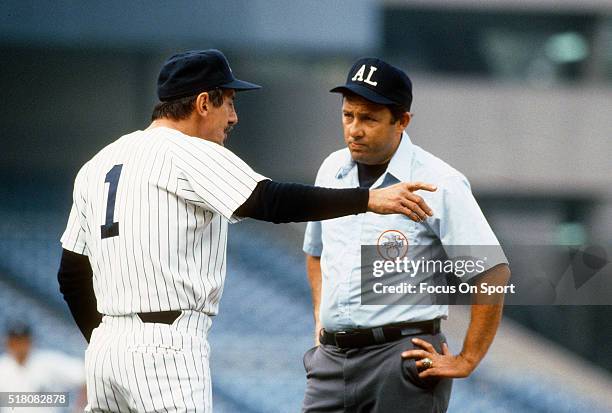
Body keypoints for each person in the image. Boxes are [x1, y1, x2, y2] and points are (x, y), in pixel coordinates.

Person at [57, 49, 436, 412]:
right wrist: (367, 199)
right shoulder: (187, 150)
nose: (234, 117)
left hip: (105, 348)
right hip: (165, 344)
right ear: (204, 103)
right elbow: (270, 201)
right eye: (230, 102)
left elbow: (71, 276)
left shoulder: (98, 163)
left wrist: (110, 343)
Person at [302, 57, 511, 412]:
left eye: (368, 118)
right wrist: (321, 319)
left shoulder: (439, 182)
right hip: (332, 360)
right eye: (348, 115)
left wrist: (467, 358)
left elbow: (492, 271)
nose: (354, 129)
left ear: (402, 121)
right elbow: (315, 251)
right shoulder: (330, 169)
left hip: (400, 357)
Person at [0, 322, 86, 413]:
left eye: (22, 341)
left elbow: (85, 375)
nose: (19, 346)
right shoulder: (2, 367)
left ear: (30, 341)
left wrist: (79, 409)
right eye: (15, 342)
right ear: (8, 343)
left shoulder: (47, 362)